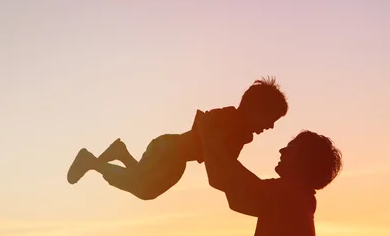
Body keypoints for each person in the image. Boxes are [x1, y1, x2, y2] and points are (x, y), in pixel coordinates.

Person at [195, 110, 342, 236]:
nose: (282, 151)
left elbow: (230, 182)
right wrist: (209, 140)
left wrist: (209, 136)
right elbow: (226, 185)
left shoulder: (288, 196)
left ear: (304, 162)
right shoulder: (295, 197)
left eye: (291, 148)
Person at [66, 77, 288, 200]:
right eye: (270, 119)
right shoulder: (231, 120)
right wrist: (254, 184)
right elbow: (221, 158)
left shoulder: (240, 133)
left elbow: (226, 165)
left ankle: (120, 152)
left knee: (144, 185)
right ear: (254, 109)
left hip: (176, 158)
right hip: (168, 150)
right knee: (143, 187)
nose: (270, 126)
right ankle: (92, 162)